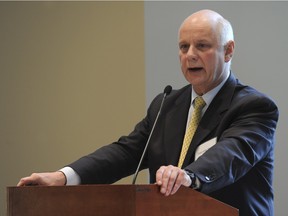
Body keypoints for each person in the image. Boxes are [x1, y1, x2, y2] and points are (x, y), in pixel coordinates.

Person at [18, 9, 279, 216]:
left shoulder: (254, 107)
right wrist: (63, 177)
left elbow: (231, 155)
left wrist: (187, 176)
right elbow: (126, 152)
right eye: (183, 47)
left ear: (229, 50)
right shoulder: (166, 104)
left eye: (202, 46)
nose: (190, 55)